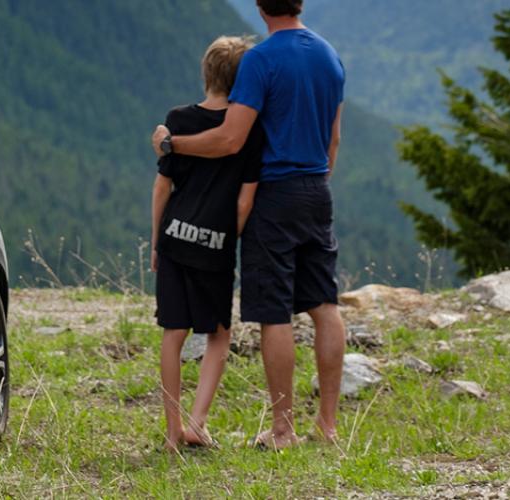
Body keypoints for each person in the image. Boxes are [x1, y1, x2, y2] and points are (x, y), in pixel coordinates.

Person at [151, 0, 347, 450]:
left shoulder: (261, 59)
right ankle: (329, 426)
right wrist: (316, 181)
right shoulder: (328, 54)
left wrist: (171, 144)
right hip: (317, 187)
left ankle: (282, 430)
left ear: (260, 8)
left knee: (274, 311)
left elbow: (230, 138)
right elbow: (334, 137)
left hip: (274, 193)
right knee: (324, 304)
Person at [151, 35, 263, 452]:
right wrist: (225, 239)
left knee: (173, 332)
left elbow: (163, 186)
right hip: (215, 243)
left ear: (206, 72)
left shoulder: (177, 119)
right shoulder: (249, 129)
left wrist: (156, 240)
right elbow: (245, 198)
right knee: (218, 333)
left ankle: (171, 432)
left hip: (175, 236)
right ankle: (197, 422)